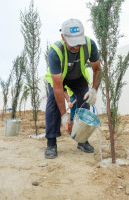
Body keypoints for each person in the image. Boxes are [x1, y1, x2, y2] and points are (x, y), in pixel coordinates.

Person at [44, 18, 102, 159]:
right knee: (53, 104)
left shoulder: (90, 45)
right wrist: (64, 115)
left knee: (85, 100)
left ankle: (81, 140)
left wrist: (94, 89)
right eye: (73, 43)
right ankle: (51, 143)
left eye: (78, 43)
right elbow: (58, 88)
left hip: (77, 77)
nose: (76, 47)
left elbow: (97, 69)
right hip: (59, 78)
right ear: (63, 37)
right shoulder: (55, 52)